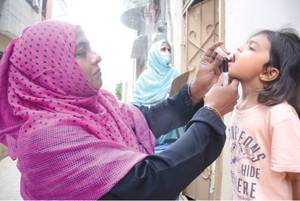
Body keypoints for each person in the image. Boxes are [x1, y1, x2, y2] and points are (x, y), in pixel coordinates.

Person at [0, 21, 238, 200]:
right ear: (49, 71)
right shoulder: (47, 143)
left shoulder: (96, 104)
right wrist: (212, 113)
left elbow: (142, 119)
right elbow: (146, 182)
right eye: (81, 51)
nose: (97, 56)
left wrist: (196, 89)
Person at [226, 28, 300, 200]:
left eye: (251, 48)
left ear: (268, 73)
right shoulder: (238, 107)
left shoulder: (280, 116)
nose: (238, 48)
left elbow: (297, 177)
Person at [132, 39, 181, 151]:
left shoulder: (174, 74)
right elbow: (135, 107)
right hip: (151, 129)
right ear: (154, 53)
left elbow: (183, 99)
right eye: (163, 49)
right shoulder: (144, 79)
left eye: (169, 50)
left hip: (172, 131)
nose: (167, 53)